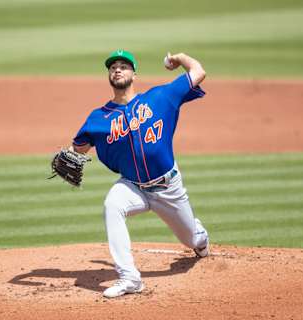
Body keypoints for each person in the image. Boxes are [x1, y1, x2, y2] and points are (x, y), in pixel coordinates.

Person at [71, 49, 209, 298]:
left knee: (192, 241)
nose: (118, 69)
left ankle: (199, 236)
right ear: (109, 76)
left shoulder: (160, 97)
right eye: (113, 67)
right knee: (112, 204)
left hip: (168, 188)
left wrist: (179, 58)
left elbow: (198, 72)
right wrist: (70, 155)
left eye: (124, 66)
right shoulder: (98, 118)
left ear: (134, 74)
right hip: (132, 186)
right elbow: (78, 148)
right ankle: (130, 278)